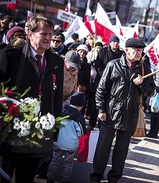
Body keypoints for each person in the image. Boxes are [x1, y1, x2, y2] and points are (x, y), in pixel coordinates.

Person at [0, 14, 64, 183]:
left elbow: (56, 98)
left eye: (50, 34)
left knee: (26, 178)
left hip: (37, 135)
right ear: (30, 34)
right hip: (10, 131)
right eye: (44, 34)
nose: (49, 38)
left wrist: (53, 131)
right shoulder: (12, 56)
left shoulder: (56, 62)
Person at [89, 38, 155, 183]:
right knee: (102, 149)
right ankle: (96, 176)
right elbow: (101, 89)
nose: (139, 53)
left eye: (140, 51)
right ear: (127, 50)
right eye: (136, 50)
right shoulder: (113, 65)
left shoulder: (145, 69)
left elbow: (151, 92)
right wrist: (101, 109)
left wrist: (142, 84)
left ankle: (114, 177)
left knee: (121, 151)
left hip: (130, 115)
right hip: (110, 113)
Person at [47, 92, 87, 183]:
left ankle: (50, 178)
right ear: (81, 106)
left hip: (58, 142)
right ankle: (64, 180)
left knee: (55, 160)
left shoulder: (61, 111)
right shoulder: (79, 117)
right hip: (71, 145)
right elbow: (81, 133)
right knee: (68, 163)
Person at [76, 44, 91, 115]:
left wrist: (86, 91)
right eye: (80, 52)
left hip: (81, 89)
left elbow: (87, 79)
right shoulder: (73, 62)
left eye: (84, 53)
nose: (82, 54)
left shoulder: (87, 66)